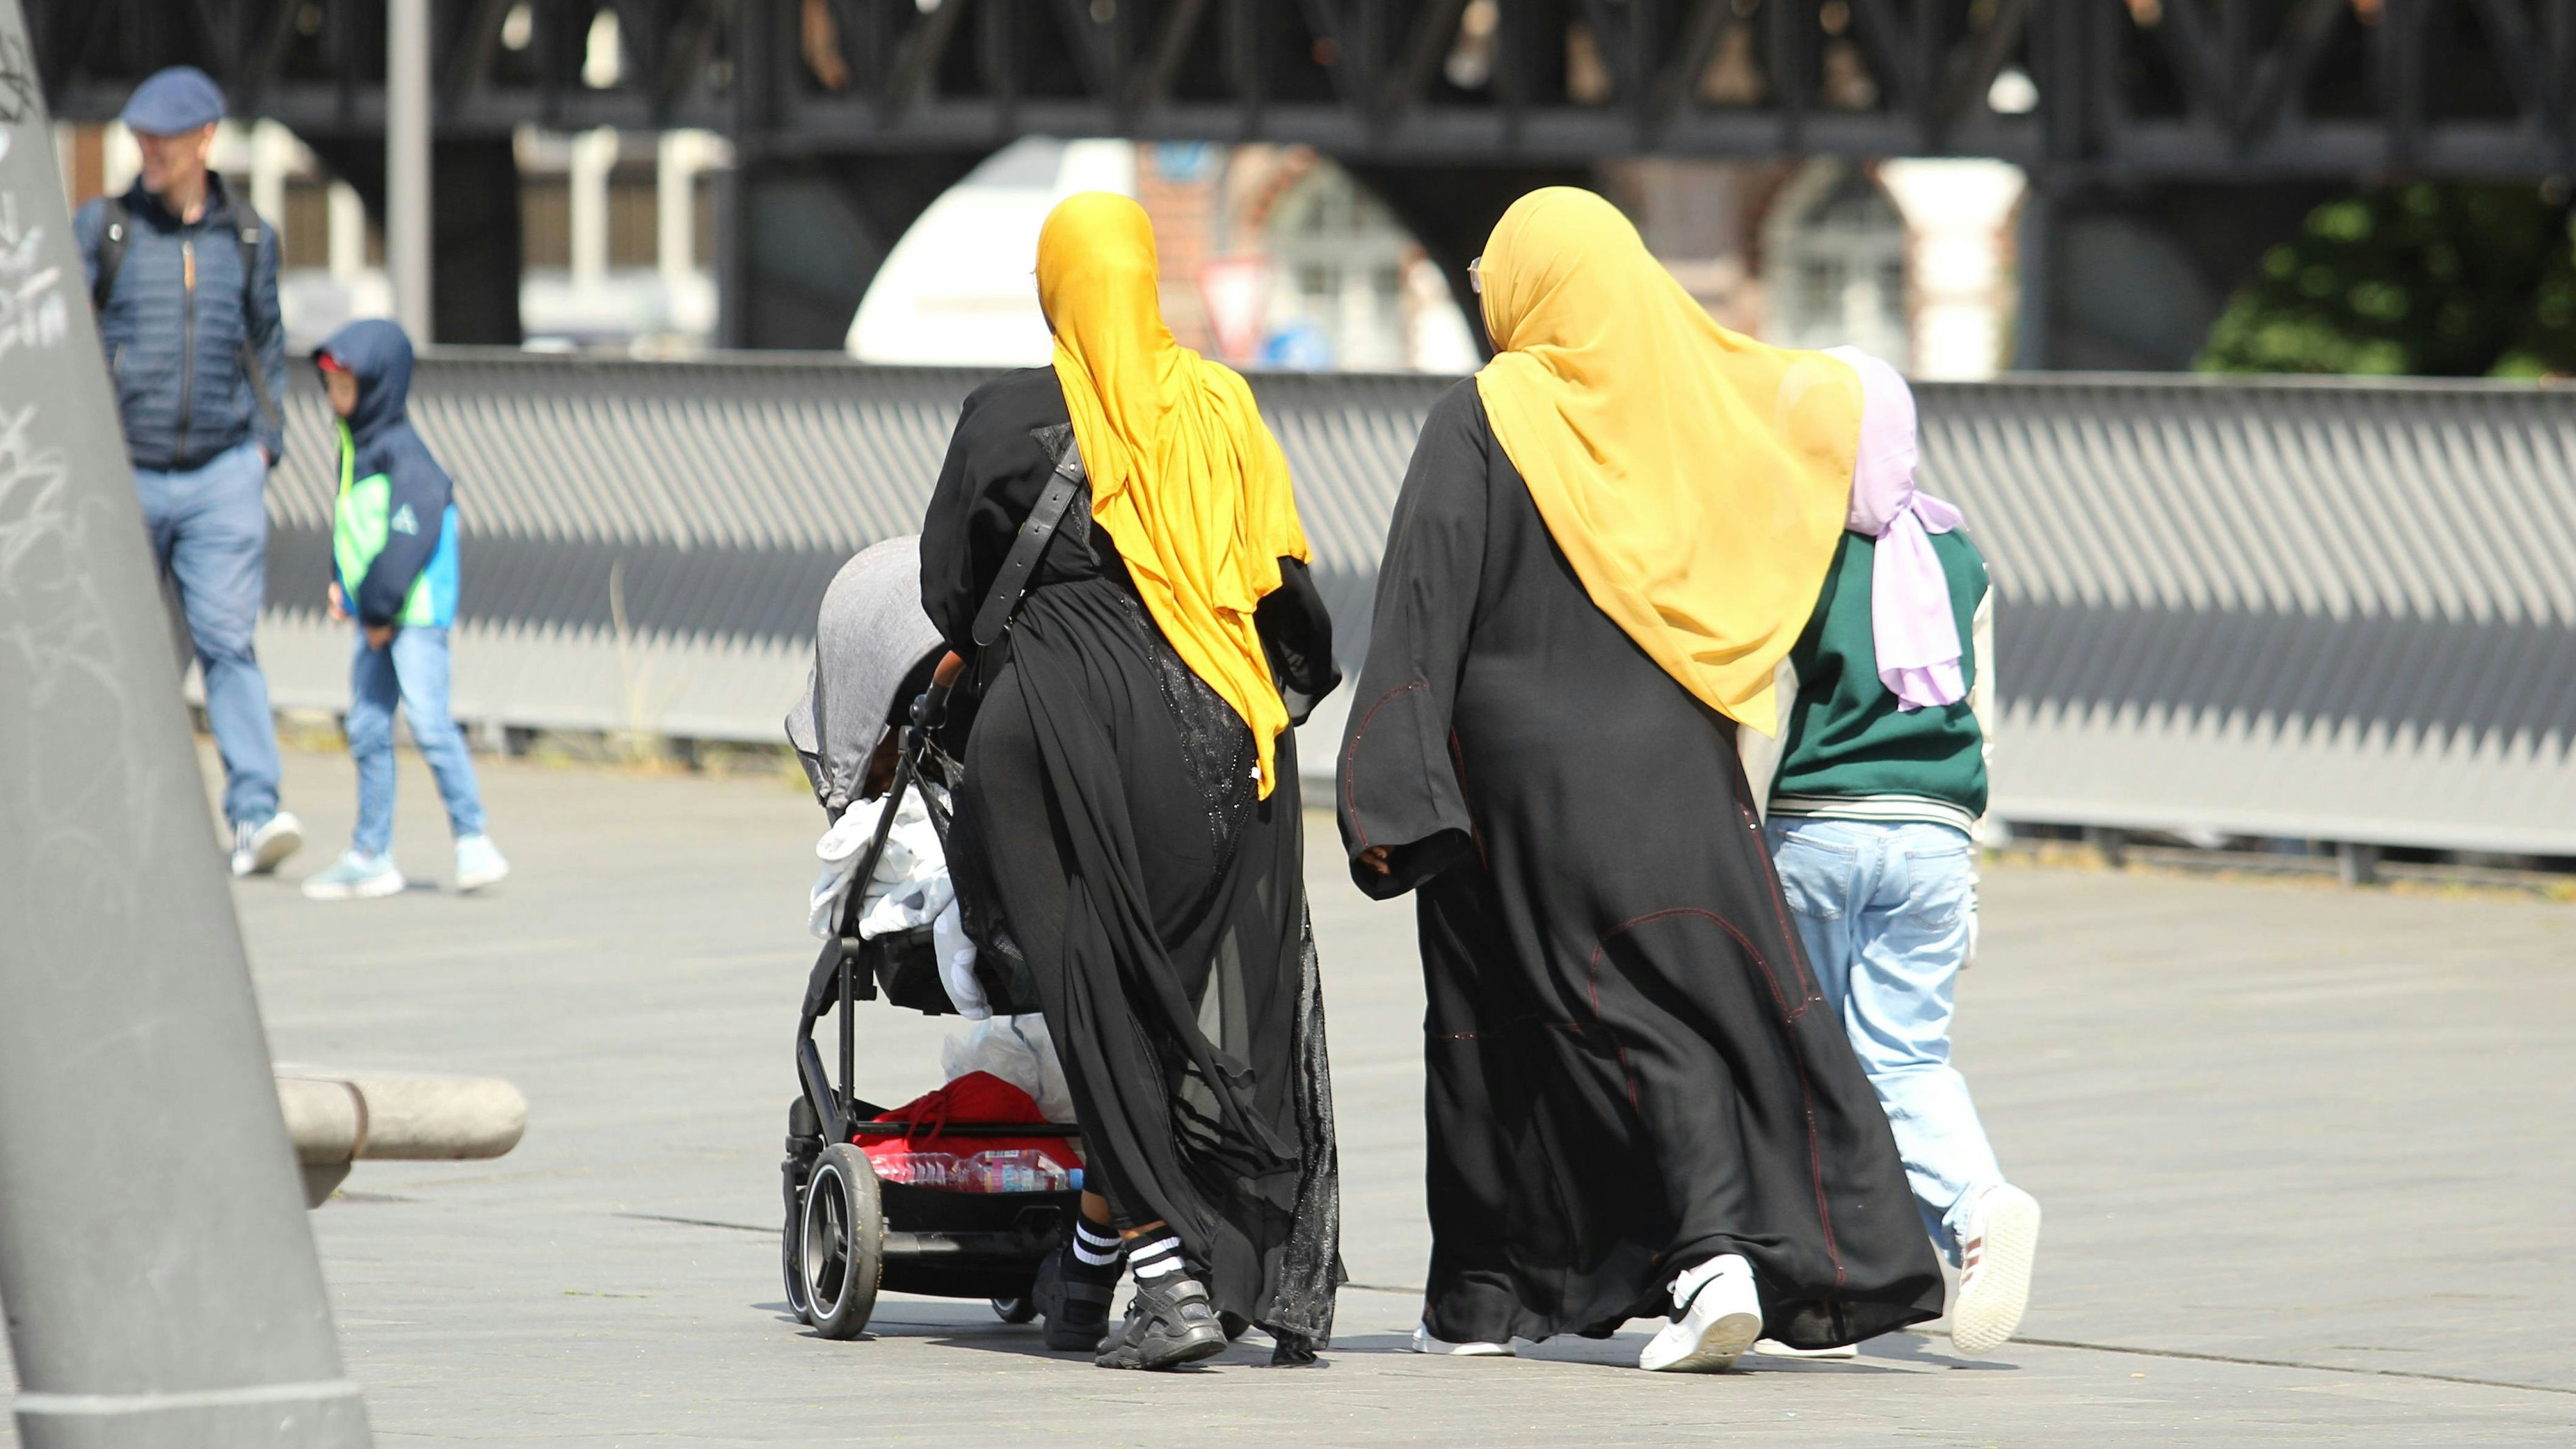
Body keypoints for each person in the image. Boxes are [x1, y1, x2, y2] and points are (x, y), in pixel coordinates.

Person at [1336, 188, 1942, 1372]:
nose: (1479, 288)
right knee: (1700, 1003)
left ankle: (1553, 1285)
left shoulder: (1486, 411)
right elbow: (1815, 412)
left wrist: (1391, 788)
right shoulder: (1679, 421)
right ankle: (1772, 1264)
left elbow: (1424, 594)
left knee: (1497, 1022)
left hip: (1514, 773)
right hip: (1682, 761)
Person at [918, 192, 1343, 1372]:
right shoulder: (1218, 405)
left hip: (1051, 734)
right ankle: (1088, 1271)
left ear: (1057, 283)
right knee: (1155, 1015)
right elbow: (1291, 599)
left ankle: (1166, 1279)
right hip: (1219, 743)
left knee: (1092, 1003)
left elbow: (950, 594)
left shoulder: (1004, 418)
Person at [1738, 349, 2040, 1359]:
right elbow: (1982, 718)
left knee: (1809, 1064)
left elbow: (1755, 712)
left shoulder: (1794, 547)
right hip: (1936, 841)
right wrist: (1966, 847)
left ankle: (1840, 1287)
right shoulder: (1958, 553)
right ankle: (1972, 1201)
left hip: (1820, 831)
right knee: (1904, 1053)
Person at [76, 65, 301, 878]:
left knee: (227, 642)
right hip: (124, 475)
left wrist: (263, 444)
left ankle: (256, 813)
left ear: (205, 139)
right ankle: (117, 813)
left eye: (162, 140)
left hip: (220, 475)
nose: (147, 153)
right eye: (140, 138)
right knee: (125, 650)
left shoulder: (247, 238)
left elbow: (268, 344)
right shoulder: (104, 229)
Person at [298, 320, 509, 900]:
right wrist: (341, 582)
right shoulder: (353, 448)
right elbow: (354, 527)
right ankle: (370, 852)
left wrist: (379, 610)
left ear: (378, 388)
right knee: (367, 725)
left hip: (408, 614)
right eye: (331, 388)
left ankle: (474, 840)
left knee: (429, 721)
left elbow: (406, 539)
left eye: (346, 388)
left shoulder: (406, 454)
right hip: (376, 613)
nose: (336, 400)